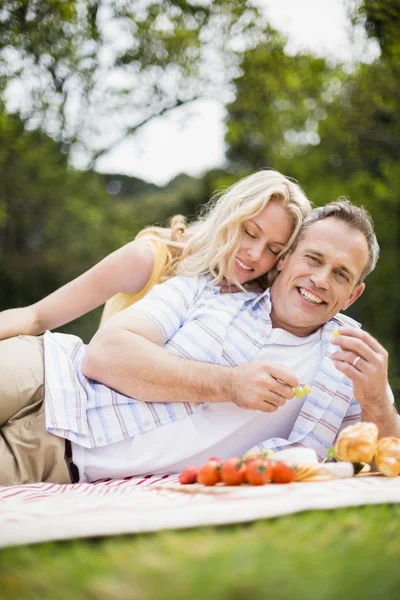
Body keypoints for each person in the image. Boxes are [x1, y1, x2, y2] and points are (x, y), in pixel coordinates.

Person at [1, 200, 398, 486]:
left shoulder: (352, 366)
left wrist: (376, 400)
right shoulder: (212, 288)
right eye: (313, 259)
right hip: (45, 373)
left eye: (341, 274)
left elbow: (390, 462)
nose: (321, 280)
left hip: (61, 456)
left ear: (353, 295)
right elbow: (104, 354)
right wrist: (230, 384)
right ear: (286, 258)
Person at [0, 170, 310, 340]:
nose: (255, 255)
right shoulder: (150, 258)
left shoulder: (265, 302)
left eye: (273, 249)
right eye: (250, 232)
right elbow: (37, 316)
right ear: (228, 216)